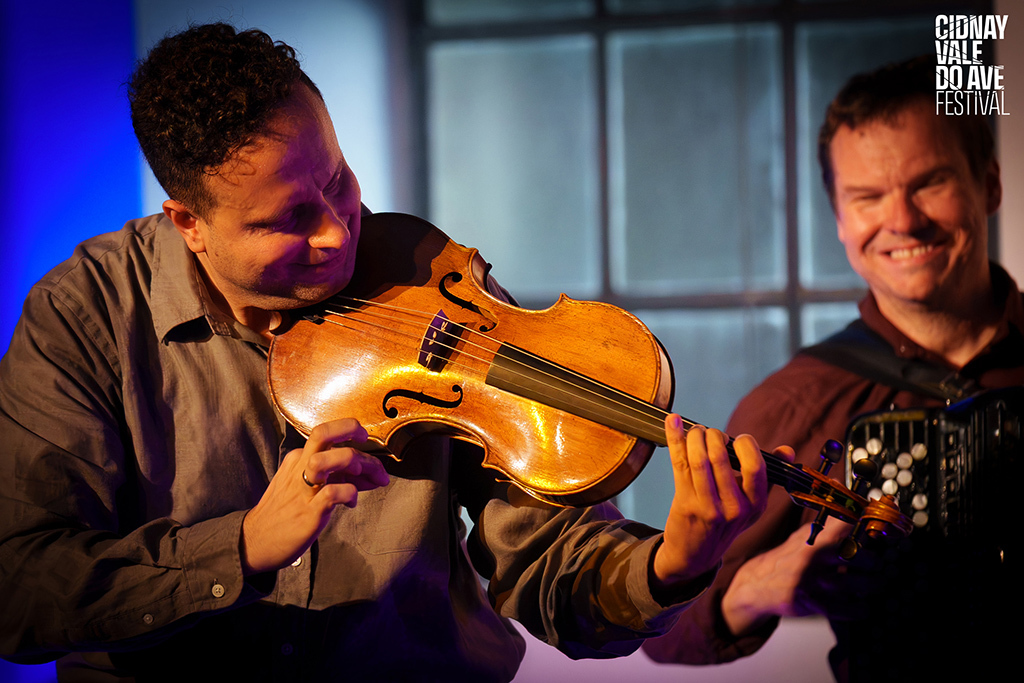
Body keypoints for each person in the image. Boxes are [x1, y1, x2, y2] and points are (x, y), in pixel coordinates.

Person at [0, 23, 771, 682]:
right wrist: (242, 547)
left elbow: (547, 561)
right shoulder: (85, 315)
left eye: (337, 179)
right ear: (188, 222)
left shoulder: (428, 280)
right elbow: (22, 588)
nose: (338, 230)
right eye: (288, 219)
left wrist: (672, 564)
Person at [644, 55, 1023, 681]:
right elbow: (665, 631)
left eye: (930, 182)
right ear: (841, 220)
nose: (902, 220)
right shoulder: (800, 401)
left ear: (989, 184)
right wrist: (754, 587)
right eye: (867, 197)